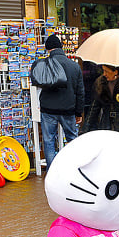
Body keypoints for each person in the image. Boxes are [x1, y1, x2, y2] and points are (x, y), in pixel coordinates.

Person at [32, 35, 84, 168]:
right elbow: (80, 92)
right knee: (72, 139)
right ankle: (75, 168)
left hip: (48, 109)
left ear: (48, 49)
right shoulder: (74, 66)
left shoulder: (45, 64)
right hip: (68, 109)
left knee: (49, 140)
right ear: (61, 48)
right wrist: (78, 112)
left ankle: (52, 172)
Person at [81, 65, 119, 135]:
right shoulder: (100, 83)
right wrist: (85, 130)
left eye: (106, 71)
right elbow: (94, 109)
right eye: (103, 70)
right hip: (106, 125)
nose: (104, 74)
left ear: (115, 72)